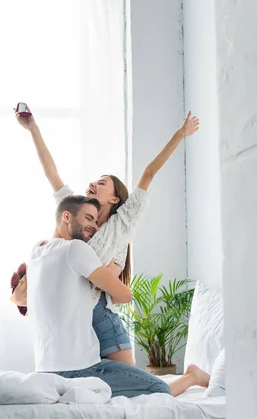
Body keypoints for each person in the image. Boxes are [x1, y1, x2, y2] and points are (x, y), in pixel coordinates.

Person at [16, 105, 200, 366]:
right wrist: (33, 128)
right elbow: (51, 174)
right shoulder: (77, 214)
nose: (94, 182)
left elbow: (148, 172)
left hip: (100, 314)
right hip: (74, 314)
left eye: (102, 182)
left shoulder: (123, 221)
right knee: (96, 390)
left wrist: (181, 134)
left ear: (114, 198)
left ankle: (191, 377)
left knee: (136, 390)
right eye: (95, 180)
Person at [28, 194, 210, 398]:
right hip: (82, 370)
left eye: (96, 221)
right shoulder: (76, 249)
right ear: (67, 216)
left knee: (128, 375)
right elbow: (124, 295)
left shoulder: (37, 251)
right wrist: (102, 276)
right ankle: (192, 377)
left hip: (44, 370)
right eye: (88, 218)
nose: (94, 226)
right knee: (158, 389)